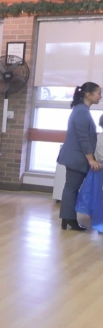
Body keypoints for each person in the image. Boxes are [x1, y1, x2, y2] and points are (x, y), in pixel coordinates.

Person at [57, 82, 102, 231]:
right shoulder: (82, 111)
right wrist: (91, 159)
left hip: (75, 156)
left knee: (71, 187)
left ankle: (67, 217)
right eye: (98, 93)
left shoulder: (81, 110)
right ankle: (69, 218)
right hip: (76, 157)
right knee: (71, 188)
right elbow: (83, 138)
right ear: (88, 94)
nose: (100, 96)